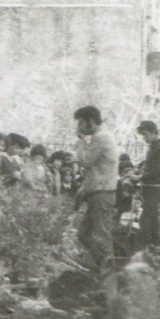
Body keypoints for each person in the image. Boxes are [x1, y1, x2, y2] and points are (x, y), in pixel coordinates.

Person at [72, 105, 118, 274]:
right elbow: (93, 169)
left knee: (102, 235)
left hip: (102, 194)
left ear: (91, 122)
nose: (79, 127)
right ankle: (103, 265)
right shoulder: (101, 138)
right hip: (96, 192)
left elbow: (85, 161)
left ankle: (110, 275)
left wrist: (81, 140)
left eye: (81, 123)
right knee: (83, 234)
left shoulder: (102, 138)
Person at [136, 119, 160, 245]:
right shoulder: (153, 148)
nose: (144, 138)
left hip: (155, 187)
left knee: (145, 218)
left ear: (153, 132)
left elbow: (159, 170)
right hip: (149, 187)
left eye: (146, 135)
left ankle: (143, 246)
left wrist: (141, 177)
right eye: (142, 136)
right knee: (153, 216)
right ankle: (157, 242)